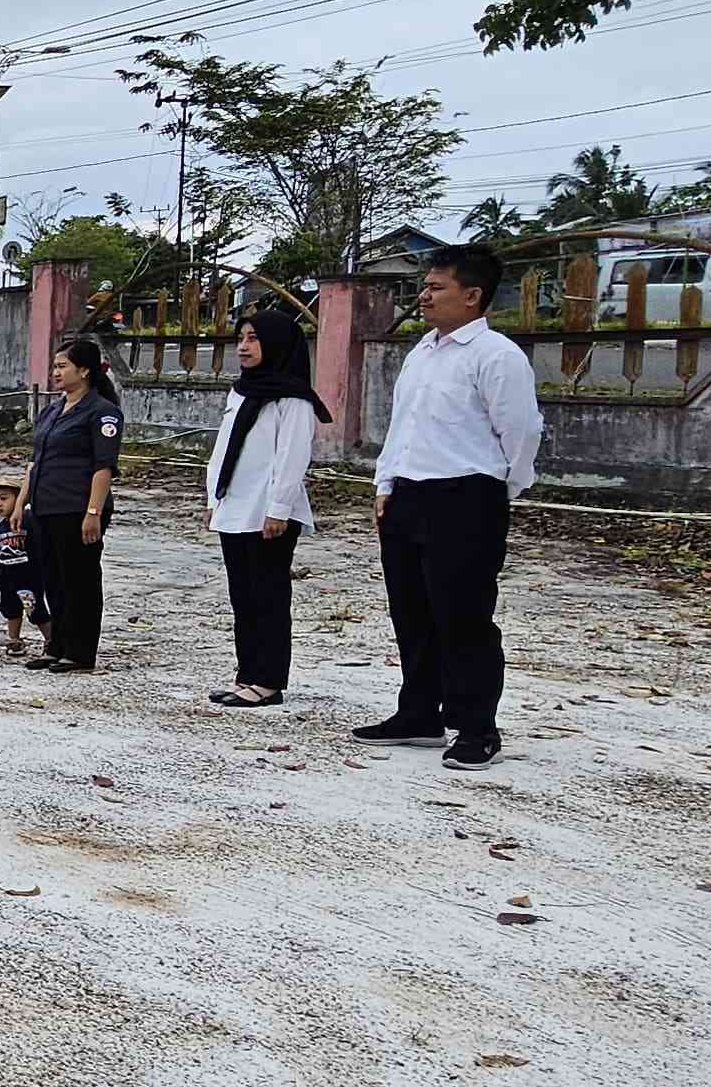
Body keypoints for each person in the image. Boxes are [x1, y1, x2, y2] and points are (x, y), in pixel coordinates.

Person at [356, 244, 543, 768]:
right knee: (412, 611)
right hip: (409, 495)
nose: (425, 296)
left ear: (473, 295)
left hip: (466, 497)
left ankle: (476, 725)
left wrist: (500, 490)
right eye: (426, 286)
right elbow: (403, 427)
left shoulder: (496, 356)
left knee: (463, 616)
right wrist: (385, 484)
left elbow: (522, 432)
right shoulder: (423, 352)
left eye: (437, 288)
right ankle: (418, 713)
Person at [205, 302, 330, 707]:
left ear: (276, 343)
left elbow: (292, 457)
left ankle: (269, 680)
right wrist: (213, 498)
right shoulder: (242, 390)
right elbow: (224, 449)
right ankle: (248, 674)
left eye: (254, 338)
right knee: (242, 595)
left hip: (269, 512)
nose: (243, 346)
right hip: (235, 507)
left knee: (268, 596)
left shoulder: (292, 398)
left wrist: (278, 508)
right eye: (241, 337)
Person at [14, 338, 122, 673]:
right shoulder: (52, 409)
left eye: (63, 366)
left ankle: (80, 652)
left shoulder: (102, 412)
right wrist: (21, 504)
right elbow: (36, 462)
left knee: (80, 581)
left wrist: (93, 512)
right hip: (46, 507)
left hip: (78, 508)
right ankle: (56, 645)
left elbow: (103, 468)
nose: (56, 372)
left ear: (84, 370)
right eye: (56, 365)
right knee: (53, 579)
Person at [0, 478, 47, 657]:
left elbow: (40, 547)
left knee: (35, 610)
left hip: (29, 576)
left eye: (4, 499)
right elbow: (1, 554)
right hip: (7, 577)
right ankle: (14, 639)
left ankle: (51, 639)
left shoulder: (29, 520)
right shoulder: (1, 527)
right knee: (10, 609)